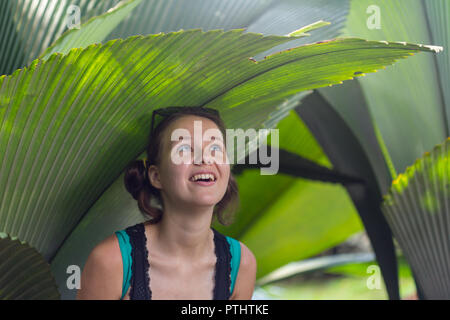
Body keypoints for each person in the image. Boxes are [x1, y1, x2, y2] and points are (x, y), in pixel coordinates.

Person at [77, 106, 257, 300]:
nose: (204, 158)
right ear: (156, 176)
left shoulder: (241, 265)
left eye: (215, 148)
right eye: (185, 149)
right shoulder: (111, 261)